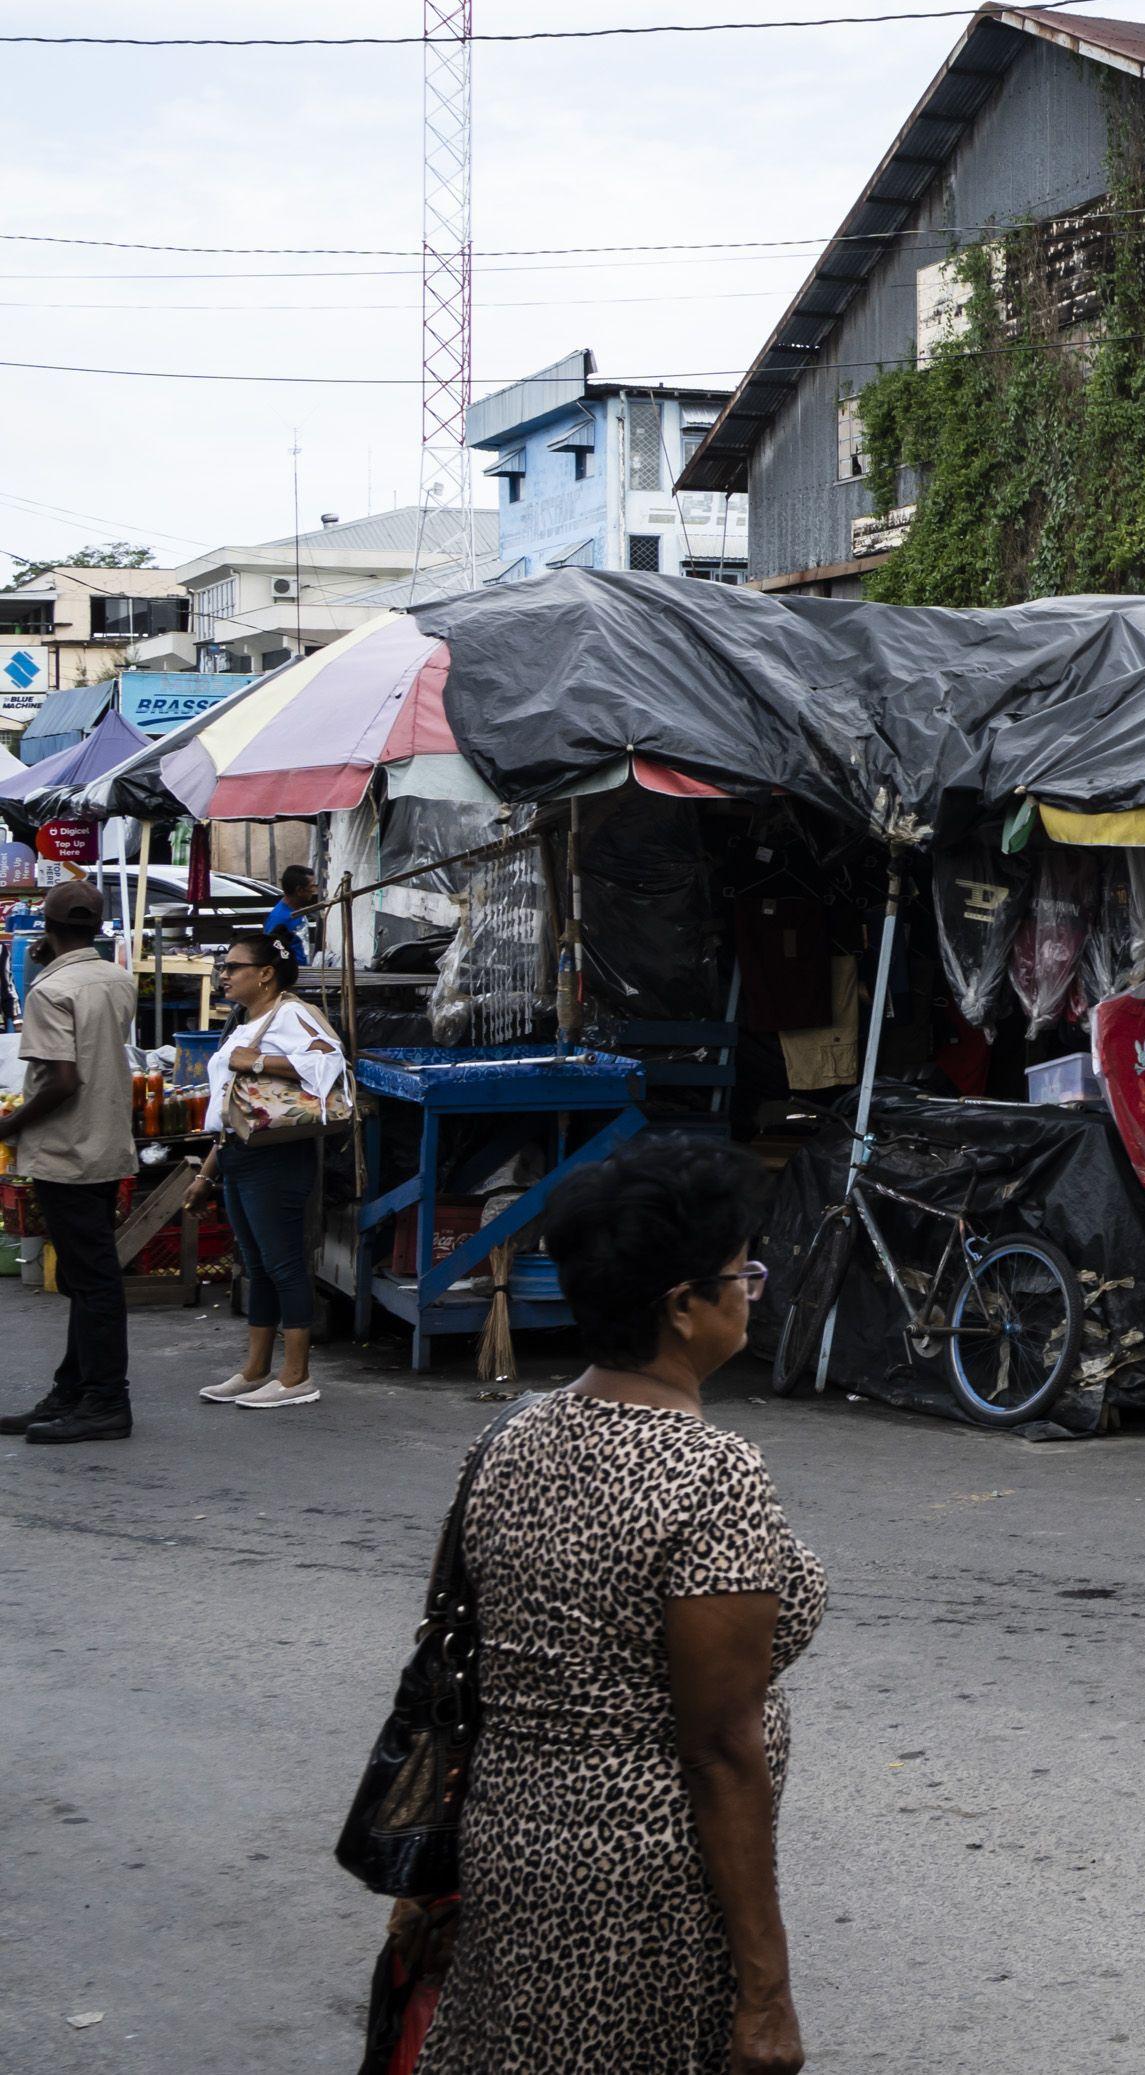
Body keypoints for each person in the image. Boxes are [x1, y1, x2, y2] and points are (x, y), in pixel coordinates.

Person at [420, 1134, 823, 2075]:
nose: (751, 1290)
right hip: (642, 1885)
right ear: (683, 1308)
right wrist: (766, 1992)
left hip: (508, 1847)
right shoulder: (710, 1472)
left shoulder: (509, 1439)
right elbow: (721, 1750)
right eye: (741, 1275)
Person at [3, 881, 140, 1445]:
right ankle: (75, 1389)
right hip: (105, 1143)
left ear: (48, 929)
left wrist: (9, 1126)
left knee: (94, 1283)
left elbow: (62, 1081)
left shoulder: (51, 988)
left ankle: (107, 1400)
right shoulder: (116, 977)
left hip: (67, 1149)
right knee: (89, 1280)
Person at [195, 930, 349, 1409]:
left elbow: (331, 1062)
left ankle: (297, 1375)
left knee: (283, 1264)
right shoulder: (246, 1020)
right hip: (239, 1152)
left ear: (265, 974)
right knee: (256, 1264)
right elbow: (230, 1107)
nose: (223, 975)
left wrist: (259, 1060)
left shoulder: (292, 1013)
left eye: (232, 967)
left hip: (277, 1157)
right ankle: (255, 1369)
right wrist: (206, 1173)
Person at [264, 863, 321, 972]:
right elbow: (272, 954)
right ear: (299, 890)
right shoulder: (280, 918)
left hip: (302, 973)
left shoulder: (297, 910)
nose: (314, 891)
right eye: (312, 887)